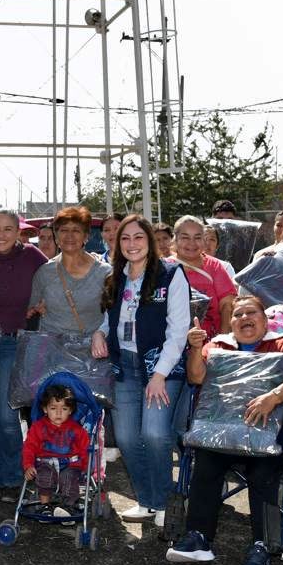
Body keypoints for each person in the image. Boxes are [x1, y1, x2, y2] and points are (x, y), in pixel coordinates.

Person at [166, 297, 283, 565]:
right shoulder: (217, 345)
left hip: (266, 436)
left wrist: (273, 396)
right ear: (230, 322)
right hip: (221, 433)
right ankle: (198, 538)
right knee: (205, 463)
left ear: (264, 320)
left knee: (263, 473)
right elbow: (196, 378)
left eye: (251, 312)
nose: (245, 318)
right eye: (238, 314)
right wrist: (195, 348)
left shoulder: (282, 345)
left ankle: (262, 548)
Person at [93, 215, 191, 525]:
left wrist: (159, 374)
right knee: (126, 438)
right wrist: (99, 333)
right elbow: (109, 319)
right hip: (125, 367)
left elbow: (179, 331)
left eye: (138, 237)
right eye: (125, 238)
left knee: (155, 434)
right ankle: (147, 500)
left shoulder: (171, 274)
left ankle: (163, 502)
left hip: (162, 368)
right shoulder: (114, 277)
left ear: (149, 240)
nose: (131, 244)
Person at [0, 208, 48, 505]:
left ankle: (15, 479)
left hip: (13, 344)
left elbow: (53, 283)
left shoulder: (32, 257)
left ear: (18, 233)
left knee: (6, 416)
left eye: (8, 229)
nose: (1, 235)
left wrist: (40, 306)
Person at [27, 206, 110, 337]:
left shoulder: (105, 273)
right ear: (56, 237)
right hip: (51, 346)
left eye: (76, 230)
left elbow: (115, 316)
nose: (69, 236)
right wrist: (36, 308)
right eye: (64, 230)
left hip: (92, 347)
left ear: (86, 236)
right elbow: (30, 307)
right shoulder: (44, 272)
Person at [22, 383, 90, 516]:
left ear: (70, 410)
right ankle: (44, 505)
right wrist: (28, 465)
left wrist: (86, 467)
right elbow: (29, 447)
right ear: (45, 409)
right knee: (44, 475)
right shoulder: (38, 427)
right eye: (53, 408)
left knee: (69, 479)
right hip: (45, 463)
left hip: (70, 464)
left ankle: (67, 507)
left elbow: (84, 449)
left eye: (64, 408)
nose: (58, 413)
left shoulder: (77, 430)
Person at [171, 215, 237, 337]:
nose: (191, 243)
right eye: (185, 237)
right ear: (175, 240)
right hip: (172, 342)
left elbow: (227, 306)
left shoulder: (214, 266)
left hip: (210, 341)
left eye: (197, 237)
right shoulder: (164, 267)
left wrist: (222, 341)